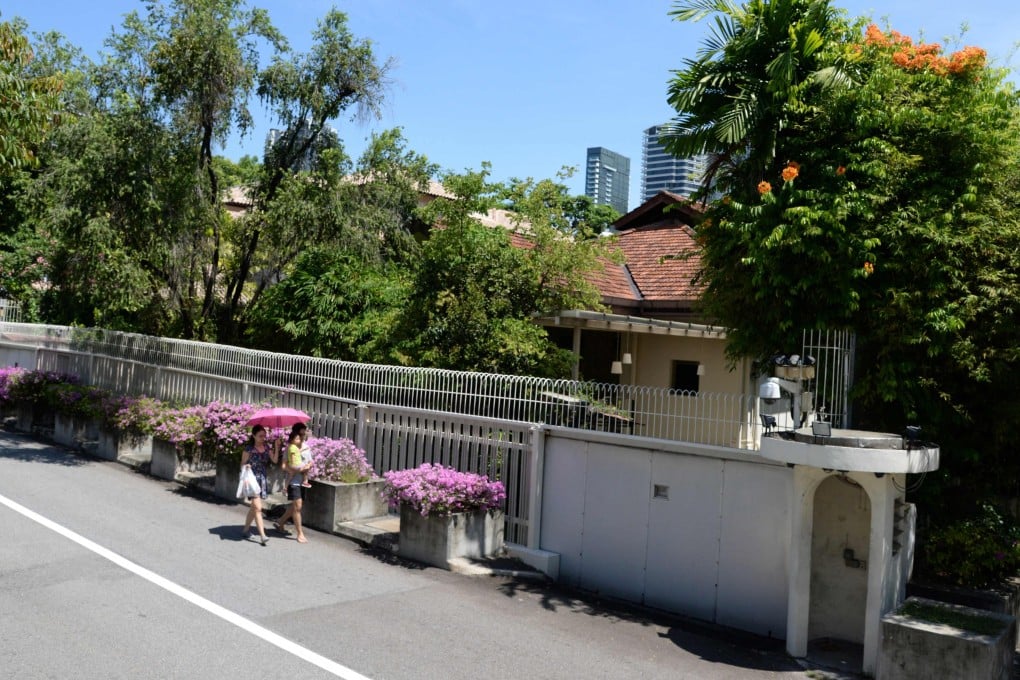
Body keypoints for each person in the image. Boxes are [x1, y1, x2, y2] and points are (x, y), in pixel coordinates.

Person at [240, 425, 279, 546]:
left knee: (254, 508)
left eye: (264, 436)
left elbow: (275, 460)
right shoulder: (249, 449)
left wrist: (277, 447)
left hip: (261, 480)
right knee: (258, 507)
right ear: (254, 436)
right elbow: (242, 464)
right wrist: (246, 466)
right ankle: (262, 535)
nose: (263, 438)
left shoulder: (266, 447)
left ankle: (245, 530)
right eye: (260, 436)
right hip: (251, 480)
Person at [275, 422, 311, 543]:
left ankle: (280, 521)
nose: (302, 437)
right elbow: (283, 465)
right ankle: (300, 533)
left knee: (296, 506)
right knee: (298, 506)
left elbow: (310, 462)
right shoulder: (289, 448)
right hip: (293, 481)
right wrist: (292, 470)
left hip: (303, 481)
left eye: (304, 434)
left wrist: (308, 466)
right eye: (300, 434)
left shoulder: (306, 447)